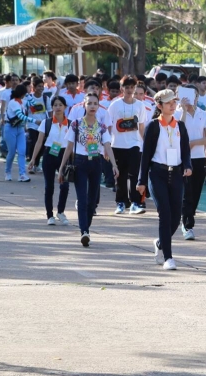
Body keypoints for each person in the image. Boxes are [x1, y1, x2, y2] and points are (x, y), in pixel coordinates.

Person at [137, 90, 193, 271]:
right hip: (157, 174)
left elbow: (185, 150)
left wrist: (188, 165)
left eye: (174, 102)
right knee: (165, 215)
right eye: (168, 102)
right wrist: (141, 180)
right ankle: (168, 257)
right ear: (159, 105)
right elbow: (146, 155)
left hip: (176, 175)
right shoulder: (153, 126)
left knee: (176, 217)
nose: (172, 105)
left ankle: (161, 243)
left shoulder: (180, 126)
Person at [59, 92, 118, 247]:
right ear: (84, 105)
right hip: (80, 163)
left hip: (96, 162)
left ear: (99, 106)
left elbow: (107, 146)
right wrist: (62, 167)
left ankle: (87, 227)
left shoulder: (101, 126)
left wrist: (114, 165)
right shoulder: (76, 124)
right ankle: (84, 231)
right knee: (83, 199)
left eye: (95, 103)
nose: (92, 106)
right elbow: (69, 147)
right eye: (89, 103)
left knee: (92, 201)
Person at [107, 76, 148, 215]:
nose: (129, 90)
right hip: (117, 145)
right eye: (127, 87)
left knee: (134, 174)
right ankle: (121, 202)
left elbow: (141, 126)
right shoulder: (115, 105)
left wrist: (145, 144)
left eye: (132, 87)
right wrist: (106, 145)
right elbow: (108, 125)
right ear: (122, 88)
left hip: (135, 144)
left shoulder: (140, 105)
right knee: (120, 175)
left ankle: (135, 203)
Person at [27, 96, 72, 226]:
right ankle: (49, 215)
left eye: (60, 105)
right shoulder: (46, 123)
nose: (58, 107)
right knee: (49, 186)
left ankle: (61, 212)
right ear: (52, 107)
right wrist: (33, 159)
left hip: (64, 155)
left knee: (65, 185)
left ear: (65, 107)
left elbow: (73, 144)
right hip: (49, 154)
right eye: (55, 105)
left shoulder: (70, 124)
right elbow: (39, 142)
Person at [176, 86, 206, 240]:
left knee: (196, 192)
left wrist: (193, 143)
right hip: (182, 159)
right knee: (187, 192)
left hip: (199, 157)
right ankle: (187, 224)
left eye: (194, 95)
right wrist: (183, 110)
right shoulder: (176, 113)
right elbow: (178, 131)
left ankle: (189, 216)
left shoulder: (203, 114)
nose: (191, 98)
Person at [3, 84, 32, 182]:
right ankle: (7, 172)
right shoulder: (13, 102)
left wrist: (28, 95)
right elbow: (20, 116)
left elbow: (34, 104)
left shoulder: (23, 101)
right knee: (11, 152)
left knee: (22, 151)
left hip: (20, 129)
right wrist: (34, 121)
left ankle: (22, 174)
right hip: (10, 128)